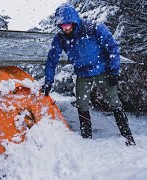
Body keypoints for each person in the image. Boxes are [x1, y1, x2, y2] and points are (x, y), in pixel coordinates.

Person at [41, 4, 136, 146]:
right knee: (82, 104)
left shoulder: (93, 28)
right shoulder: (61, 38)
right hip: (82, 74)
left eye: (67, 24)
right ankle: (86, 137)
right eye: (61, 25)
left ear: (74, 20)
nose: (65, 28)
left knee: (114, 102)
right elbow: (52, 60)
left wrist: (113, 71)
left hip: (102, 71)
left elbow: (112, 47)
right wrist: (48, 81)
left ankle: (127, 135)